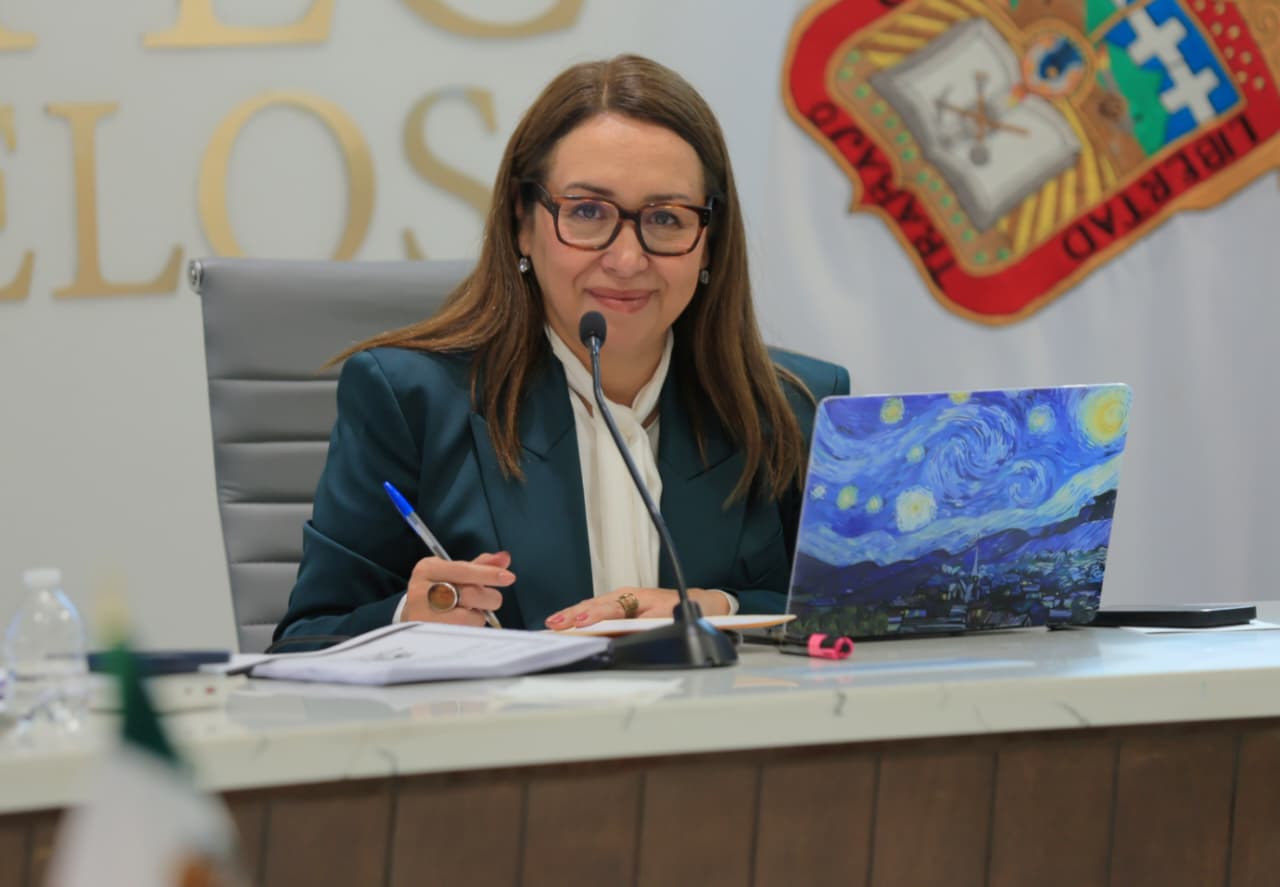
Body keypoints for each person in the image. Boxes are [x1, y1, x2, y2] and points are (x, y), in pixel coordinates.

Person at [273, 54, 850, 645]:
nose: (627, 259)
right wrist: (407, 619)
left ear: (710, 241)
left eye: (666, 218)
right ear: (523, 223)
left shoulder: (799, 408)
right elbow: (302, 643)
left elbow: (863, 616)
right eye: (588, 212)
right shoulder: (411, 401)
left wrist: (715, 606)